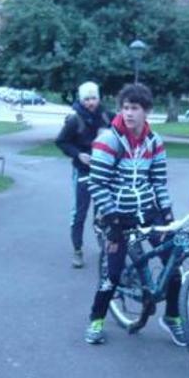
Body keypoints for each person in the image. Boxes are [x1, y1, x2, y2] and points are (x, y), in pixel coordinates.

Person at [83, 84, 181, 346]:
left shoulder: (154, 142)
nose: (128, 113)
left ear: (146, 111)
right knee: (112, 275)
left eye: (135, 108)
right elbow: (97, 184)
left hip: (148, 212)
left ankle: (172, 318)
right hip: (117, 216)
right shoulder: (109, 140)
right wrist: (113, 220)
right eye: (125, 107)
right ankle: (96, 319)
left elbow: (159, 182)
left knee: (174, 263)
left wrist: (168, 215)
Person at [55, 81, 114, 268]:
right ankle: (78, 250)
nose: (91, 102)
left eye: (94, 98)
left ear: (99, 98)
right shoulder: (74, 119)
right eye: (87, 99)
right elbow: (61, 141)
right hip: (82, 171)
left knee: (103, 212)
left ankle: (103, 247)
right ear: (81, 99)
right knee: (80, 212)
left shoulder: (107, 116)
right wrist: (78, 154)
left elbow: (120, 135)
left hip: (104, 172)